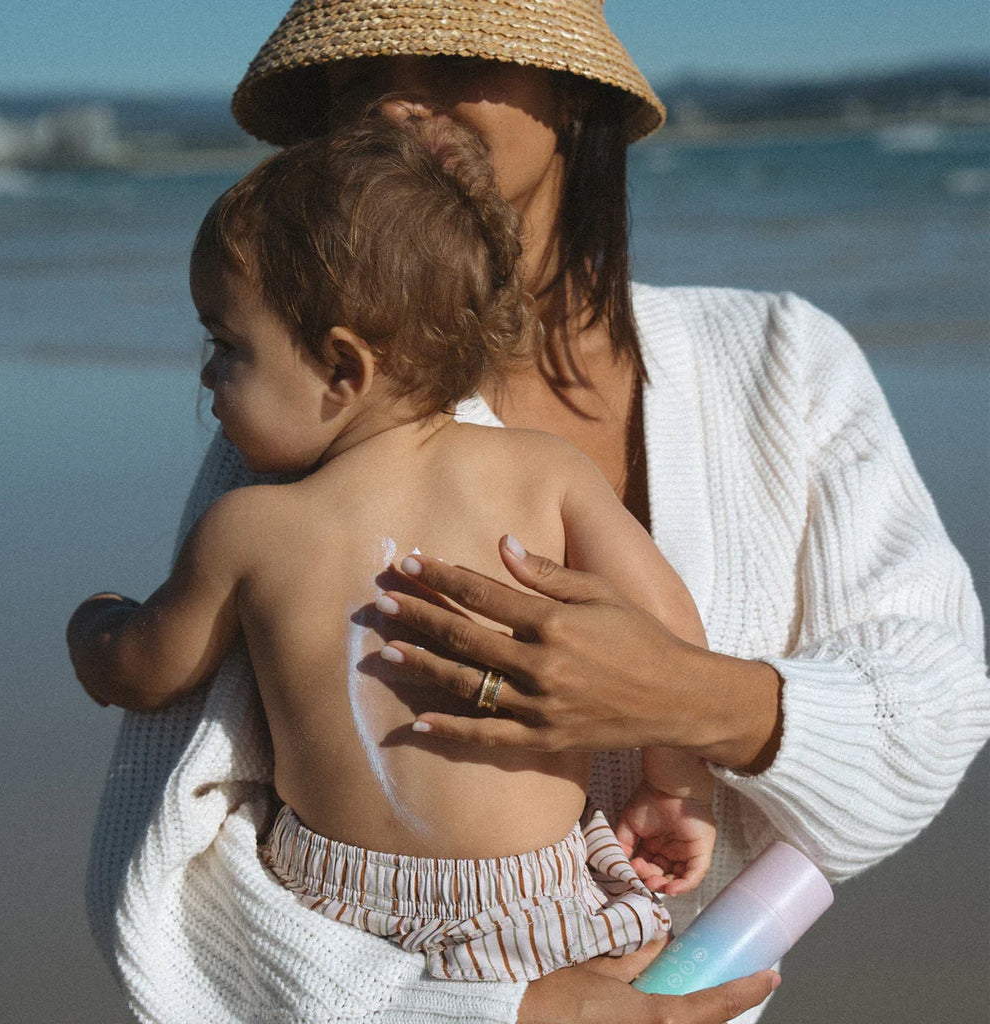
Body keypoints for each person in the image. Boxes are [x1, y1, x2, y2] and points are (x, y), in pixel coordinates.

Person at [84, 2, 988, 1023]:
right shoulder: (299, 439)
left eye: (455, 54)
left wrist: (691, 700)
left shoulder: (784, 362)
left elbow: (939, 697)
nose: (390, 98)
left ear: (570, 88)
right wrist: (508, 1011)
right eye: (351, 80)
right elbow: (169, 865)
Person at [69, 116, 720, 983]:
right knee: (631, 980)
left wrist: (98, 625)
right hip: (542, 894)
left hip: (331, 914)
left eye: (227, 345)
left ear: (343, 369)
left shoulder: (252, 528)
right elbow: (670, 635)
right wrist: (673, 787)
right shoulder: (545, 474)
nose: (206, 373)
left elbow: (148, 670)